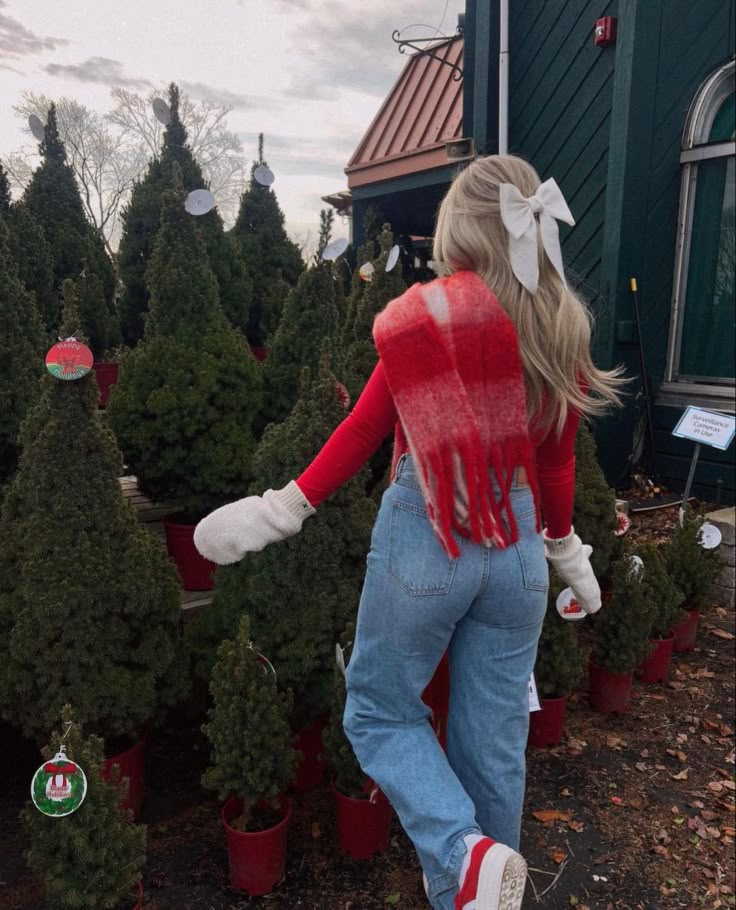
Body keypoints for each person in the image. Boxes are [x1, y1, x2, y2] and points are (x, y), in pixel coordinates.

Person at [194, 155, 625, 910]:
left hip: (432, 532)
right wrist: (565, 550)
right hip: (519, 550)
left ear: (462, 228)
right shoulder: (558, 321)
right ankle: (485, 885)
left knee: (378, 708)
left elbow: (366, 429)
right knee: (493, 738)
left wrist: (282, 508)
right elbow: (557, 465)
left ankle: (460, 854)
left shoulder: (428, 315)